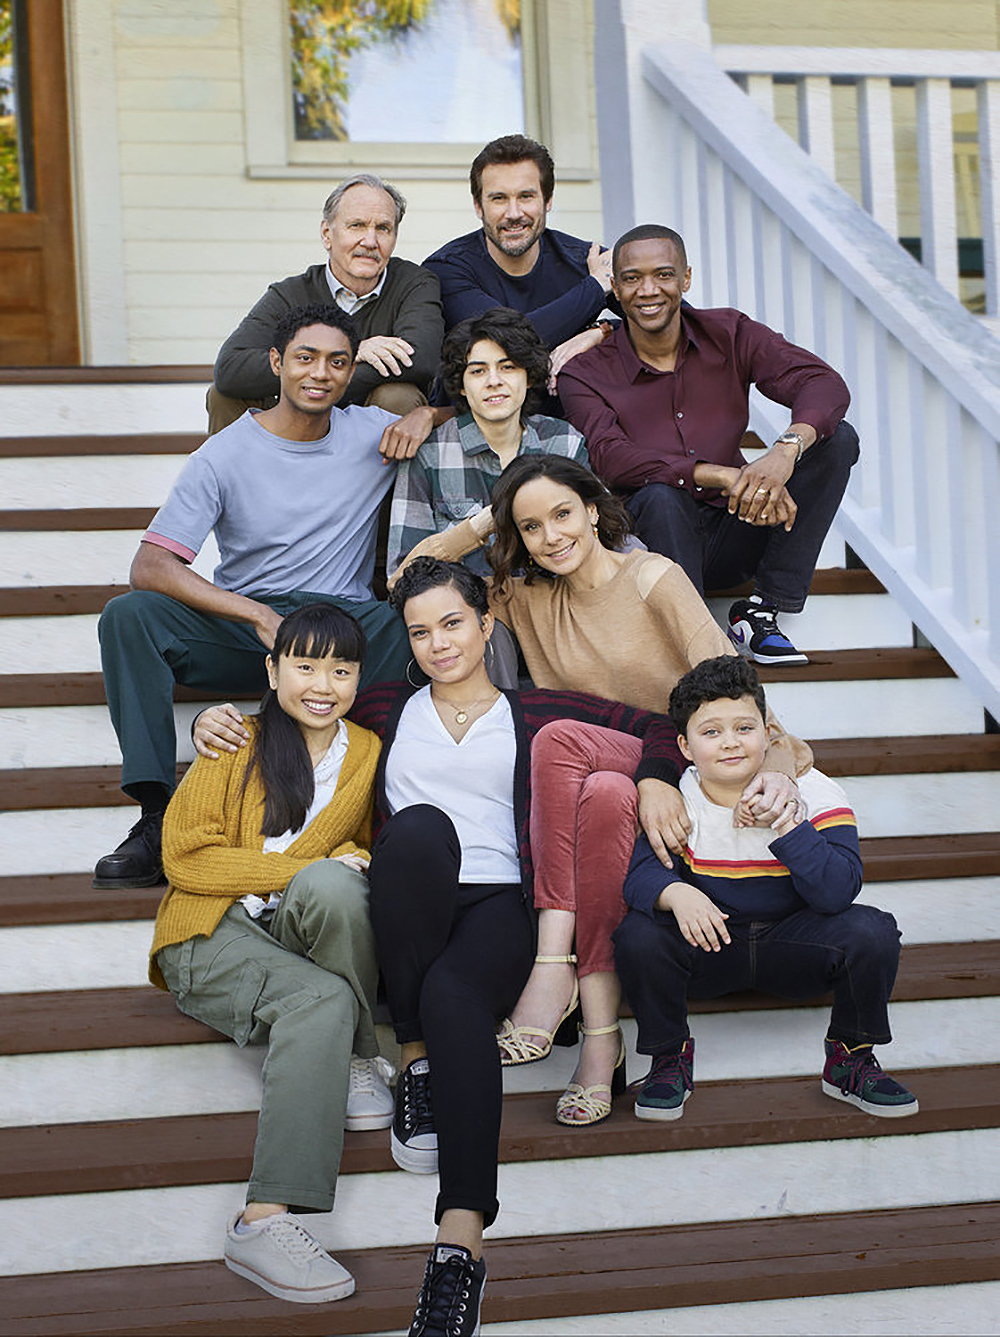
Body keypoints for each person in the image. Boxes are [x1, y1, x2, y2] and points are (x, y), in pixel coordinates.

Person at [196, 555, 686, 1336]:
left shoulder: (533, 711)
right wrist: (208, 722)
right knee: (421, 829)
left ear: (487, 623)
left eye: (452, 623)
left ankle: (459, 1246)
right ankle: (416, 1058)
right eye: (419, 631)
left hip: (499, 904)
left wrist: (658, 776)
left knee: (459, 996)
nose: (437, 643)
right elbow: (299, 703)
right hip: (408, 895)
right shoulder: (385, 705)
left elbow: (659, 725)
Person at [95, 303, 446, 892]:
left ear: (350, 370)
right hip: (251, 623)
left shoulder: (370, 433)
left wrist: (428, 413)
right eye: (305, 358)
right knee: (129, 618)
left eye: (337, 362)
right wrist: (255, 612)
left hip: (342, 622)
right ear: (278, 363)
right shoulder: (224, 454)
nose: (320, 374)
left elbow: (471, 405)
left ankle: (394, 801)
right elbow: (150, 566)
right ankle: (155, 816)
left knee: (408, 622)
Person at [150, 603, 393, 1306]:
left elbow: (361, 849)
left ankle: (351, 1056)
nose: (322, 683)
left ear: (358, 676)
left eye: (340, 668)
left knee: (341, 888)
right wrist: (295, 870)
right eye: (305, 665)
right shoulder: (236, 740)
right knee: (319, 996)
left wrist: (341, 859)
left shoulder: (368, 750)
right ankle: (261, 1221)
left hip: (288, 929)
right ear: (273, 669)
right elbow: (184, 857)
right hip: (210, 930)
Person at [614, 654, 918, 1123]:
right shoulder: (681, 795)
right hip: (711, 944)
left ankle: (850, 1058)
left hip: (793, 945)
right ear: (686, 746)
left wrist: (789, 827)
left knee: (872, 931)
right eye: (711, 732)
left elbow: (839, 892)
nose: (730, 743)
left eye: (744, 728)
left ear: (768, 733)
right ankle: (668, 1058)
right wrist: (678, 893)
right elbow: (639, 877)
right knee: (638, 934)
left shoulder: (815, 791)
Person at [557, 224, 860, 666]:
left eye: (663, 274)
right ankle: (697, 643)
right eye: (632, 278)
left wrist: (783, 452)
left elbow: (823, 384)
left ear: (686, 279)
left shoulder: (729, 333)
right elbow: (610, 458)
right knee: (661, 496)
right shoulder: (585, 372)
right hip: (649, 540)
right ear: (616, 290)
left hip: (736, 524)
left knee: (836, 441)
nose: (648, 290)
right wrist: (718, 473)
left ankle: (760, 610)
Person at [209, 174, 444, 433]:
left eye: (383, 228)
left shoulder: (414, 283)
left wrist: (314, 377)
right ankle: (234, 474)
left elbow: (421, 360)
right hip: (295, 423)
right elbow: (231, 368)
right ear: (326, 234)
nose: (370, 241)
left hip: (367, 431)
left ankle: (388, 476)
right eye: (356, 225)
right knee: (224, 395)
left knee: (398, 396)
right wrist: (349, 354)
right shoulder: (290, 294)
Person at [386, 306, 588, 582]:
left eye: (508, 367)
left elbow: (604, 539)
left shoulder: (563, 442)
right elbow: (402, 577)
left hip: (556, 608)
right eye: (478, 371)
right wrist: (476, 529)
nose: (494, 381)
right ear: (460, 384)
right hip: (469, 613)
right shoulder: (429, 454)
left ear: (528, 377)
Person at [423, 135, 615, 391]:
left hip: (571, 419)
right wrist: (593, 289)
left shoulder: (585, 260)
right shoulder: (446, 269)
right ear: (478, 206)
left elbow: (676, 321)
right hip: (477, 421)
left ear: (547, 201)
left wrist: (603, 331)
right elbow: (506, 342)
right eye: (499, 198)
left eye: (526, 196)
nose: (514, 214)